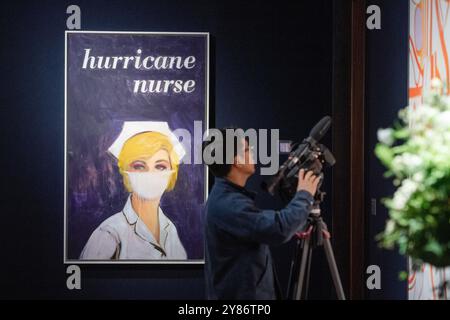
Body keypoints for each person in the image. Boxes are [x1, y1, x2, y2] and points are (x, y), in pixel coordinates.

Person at [204, 129, 320, 299]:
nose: (251, 152)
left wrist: (305, 221)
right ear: (236, 160)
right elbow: (278, 228)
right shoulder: (229, 205)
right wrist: (304, 195)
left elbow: (265, 227)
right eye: (246, 149)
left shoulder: (228, 198)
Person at [80, 121, 187, 260]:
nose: (150, 174)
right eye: (139, 166)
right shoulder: (109, 234)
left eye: (160, 166)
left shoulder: (170, 230)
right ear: (126, 172)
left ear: (171, 173)